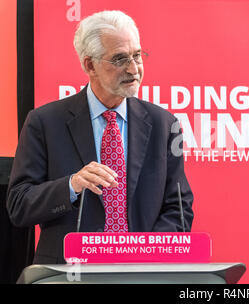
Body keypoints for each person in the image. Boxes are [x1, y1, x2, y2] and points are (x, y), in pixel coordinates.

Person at [7, 10, 194, 264]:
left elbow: (179, 207)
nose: (133, 68)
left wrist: (143, 255)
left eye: (137, 56)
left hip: (141, 274)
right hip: (69, 274)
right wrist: (71, 185)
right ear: (89, 65)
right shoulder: (45, 122)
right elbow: (19, 205)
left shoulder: (164, 125)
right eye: (119, 59)